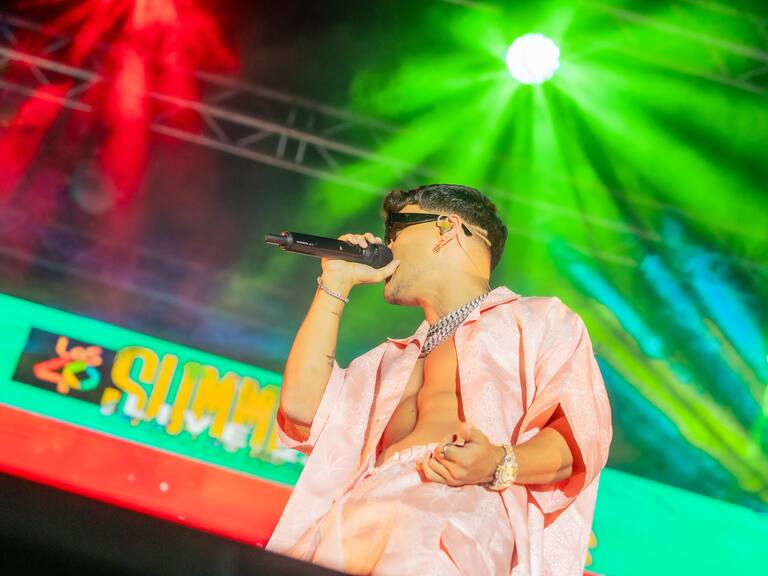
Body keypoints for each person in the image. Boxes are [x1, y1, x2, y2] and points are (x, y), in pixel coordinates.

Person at [266, 184, 612, 575]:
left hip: (452, 511)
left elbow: (579, 439)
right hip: (355, 517)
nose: (386, 245)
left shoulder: (537, 321)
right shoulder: (386, 362)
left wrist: (498, 462)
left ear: (446, 227)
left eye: (396, 231)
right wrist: (336, 282)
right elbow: (300, 410)